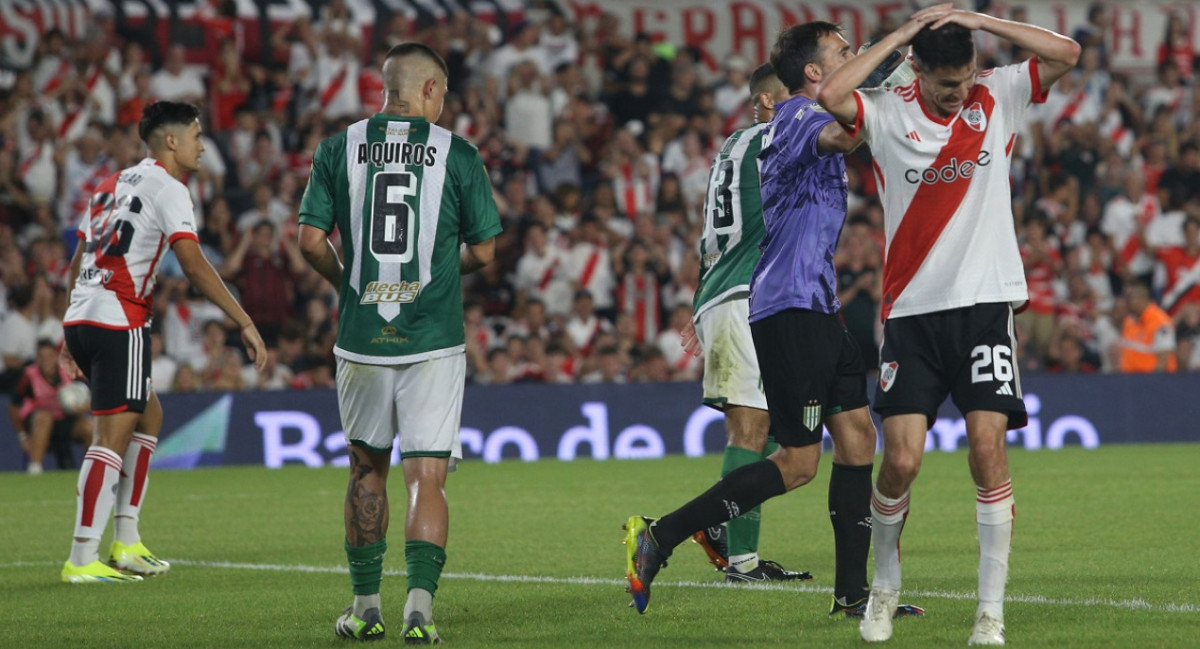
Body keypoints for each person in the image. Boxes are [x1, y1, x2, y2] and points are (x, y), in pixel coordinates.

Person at [624, 24, 922, 618]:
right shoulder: (794, 118)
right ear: (814, 72)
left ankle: (852, 597)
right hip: (787, 309)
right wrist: (899, 53)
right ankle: (661, 536)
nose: (849, 59)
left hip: (817, 305)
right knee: (797, 463)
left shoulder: (806, 116)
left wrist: (898, 80)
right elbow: (848, 133)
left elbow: (856, 126)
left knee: (859, 440)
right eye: (841, 54)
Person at [816, 5, 1080, 644]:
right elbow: (830, 93)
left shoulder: (998, 93)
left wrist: (976, 19)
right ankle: (883, 588)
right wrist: (906, 32)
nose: (959, 92)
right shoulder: (885, 109)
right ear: (918, 72)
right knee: (901, 462)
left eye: (965, 79)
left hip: (986, 306)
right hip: (911, 314)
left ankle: (990, 610)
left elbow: (1066, 53)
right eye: (945, 84)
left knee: (988, 450)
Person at [297, 42, 501, 644]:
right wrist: (435, 275)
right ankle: (419, 611)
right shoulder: (457, 153)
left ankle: (364, 609)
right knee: (426, 478)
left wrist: (350, 286)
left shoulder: (339, 148)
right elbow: (486, 251)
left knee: (366, 471)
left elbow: (309, 242)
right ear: (433, 91)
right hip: (433, 339)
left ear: (386, 88)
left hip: (362, 340)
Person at [59, 101, 268, 584]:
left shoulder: (108, 184)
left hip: (84, 316)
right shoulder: (169, 188)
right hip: (120, 319)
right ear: (170, 141)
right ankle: (82, 556)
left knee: (149, 415)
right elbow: (193, 265)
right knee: (111, 436)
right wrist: (243, 320)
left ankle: (127, 541)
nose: (201, 144)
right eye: (196, 135)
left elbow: (79, 260)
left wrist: (69, 333)